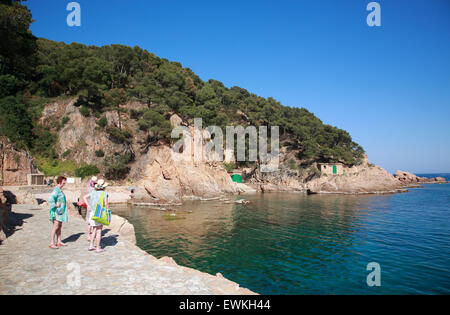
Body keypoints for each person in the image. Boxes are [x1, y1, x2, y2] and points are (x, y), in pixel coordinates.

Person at [83, 179, 109, 253]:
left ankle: (91, 245)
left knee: (94, 229)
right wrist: (107, 213)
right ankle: (98, 247)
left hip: (92, 213)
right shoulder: (104, 193)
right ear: (104, 187)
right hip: (99, 213)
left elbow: (85, 197)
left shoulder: (93, 192)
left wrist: (88, 205)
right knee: (99, 230)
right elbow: (106, 204)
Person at [49, 176, 68, 249]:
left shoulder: (59, 189)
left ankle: (59, 241)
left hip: (60, 211)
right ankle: (52, 243)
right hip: (57, 211)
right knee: (55, 226)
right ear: (60, 181)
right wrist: (55, 205)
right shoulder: (56, 190)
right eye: (64, 182)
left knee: (59, 226)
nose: (65, 183)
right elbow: (51, 199)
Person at [85, 176, 97, 242]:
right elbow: (86, 197)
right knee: (90, 222)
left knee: (91, 221)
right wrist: (88, 205)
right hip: (91, 206)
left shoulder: (90, 187)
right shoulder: (92, 188)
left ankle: (90, 235)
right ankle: (88, 235)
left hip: (91, 206)